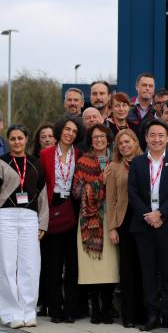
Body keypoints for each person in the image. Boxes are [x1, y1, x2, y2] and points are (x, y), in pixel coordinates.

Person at [128, 119, 168, 331]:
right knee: (149, 272)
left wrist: (160, 214)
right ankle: (152, 315)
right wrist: (149, 215)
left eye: (161, 135)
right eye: (152, 135)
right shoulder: (137, 163)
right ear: (145, 138)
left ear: (167, 138)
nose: (156, 139)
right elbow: (132, 192)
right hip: (143, 225)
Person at [0, 124, 48, 329]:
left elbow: (43, 195)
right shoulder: (2, 162)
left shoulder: (36, 163)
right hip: (6, 216)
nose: (17, 142)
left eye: (20, 138)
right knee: (7, 266)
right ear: (8, 140)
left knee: (31, 266)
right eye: (13, 138)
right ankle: (10, 313)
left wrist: (43, 223)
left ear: (26, 139)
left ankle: (28, 312)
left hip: (30, 218)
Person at [72, 124, 119, 324]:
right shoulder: (83, 161)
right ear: (90, 141)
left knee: (110, 267)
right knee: (92, 269)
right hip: (89, 221)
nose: (99, 139)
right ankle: (95, 309)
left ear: (108, 139)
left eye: (102, 136)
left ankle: (107, 308)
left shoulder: (116, 160)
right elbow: (76, 192)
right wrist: (100, 180)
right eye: (95, 137)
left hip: (111, 219)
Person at [40, 116, 83, 323]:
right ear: (60, 130)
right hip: (52, 209)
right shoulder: (46, 153)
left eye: (74, 131)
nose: (70, 134)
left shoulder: (79, 154)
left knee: (73, 264)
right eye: (67, 129)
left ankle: (71, 310)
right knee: (54, 264)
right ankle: (55, 309)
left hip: (73, 210)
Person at [105, 129, 146, 328]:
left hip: (144, 221)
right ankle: (129, 315)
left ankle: (144, 314)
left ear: (136, 142)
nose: (124, 146)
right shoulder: (114, 167)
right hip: (124, 222)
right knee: (128, 270)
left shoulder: (147, 162)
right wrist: (112, 227)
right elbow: (110, 199)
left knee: (144, 268)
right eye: (120, 143)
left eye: (127, 141)